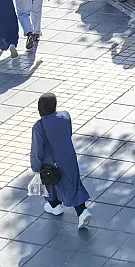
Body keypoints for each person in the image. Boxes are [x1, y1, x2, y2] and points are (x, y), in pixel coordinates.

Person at [30, 93, 92, 229]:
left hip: (50, 163)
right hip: (68, 157)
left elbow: (37, 149)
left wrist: (35, 166)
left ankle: (55, 206)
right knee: (73, 185)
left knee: (50, 184)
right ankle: (82, 211)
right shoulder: (65, 116)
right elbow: (68, 133)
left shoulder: (39, 126)